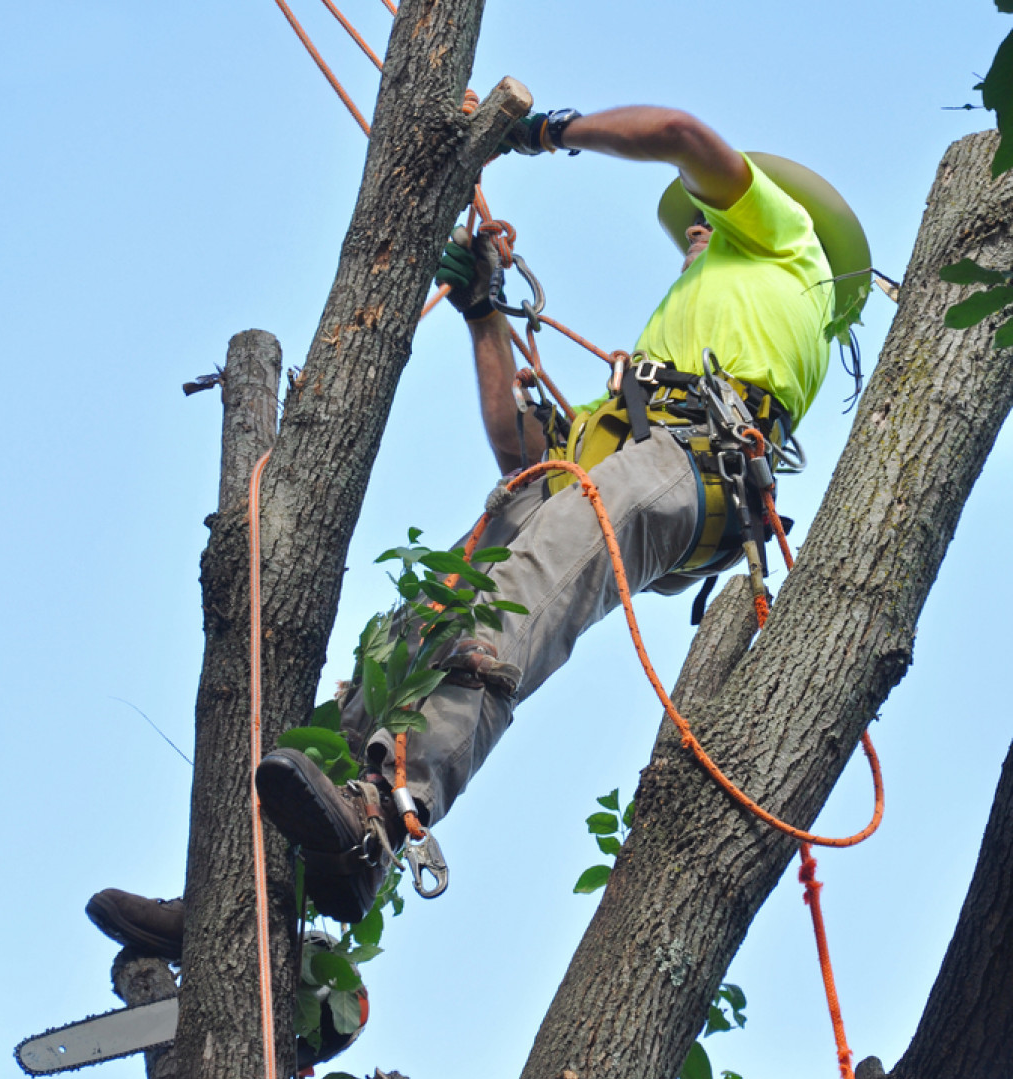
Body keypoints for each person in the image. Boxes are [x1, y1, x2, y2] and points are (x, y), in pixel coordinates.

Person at [90, 104, 869, 944]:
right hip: (632, 454)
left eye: (702, 221)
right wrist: (484, 311)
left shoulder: (788, 245)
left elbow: (681, 135)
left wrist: (542, 130)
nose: (691, 233)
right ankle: (233, 896)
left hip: (691, 460)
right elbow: (522, 450)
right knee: (405, 639)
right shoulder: (662, 361)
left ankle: (392, 809)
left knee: (517, 602)